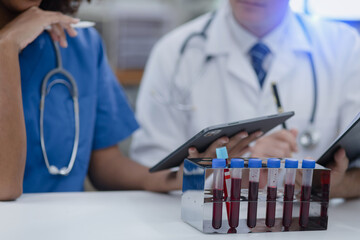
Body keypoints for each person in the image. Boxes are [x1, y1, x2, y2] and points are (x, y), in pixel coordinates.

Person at [130, 0, 360, 198]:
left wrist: (334, 187)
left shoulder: (346, 48)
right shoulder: (174, 53)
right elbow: (151, 173)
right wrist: (224, 176)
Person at [0, 0, 186, 201]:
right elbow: (5, 187)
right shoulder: (7, 47)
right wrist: (6, 48)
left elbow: (106, 163)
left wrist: (175, 177)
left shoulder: (80, 43)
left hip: (69, 227)